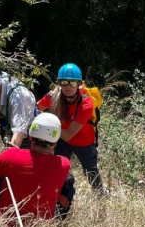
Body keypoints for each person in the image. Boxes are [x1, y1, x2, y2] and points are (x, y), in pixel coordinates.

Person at [0, 113, 75, 223]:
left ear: (30, 136)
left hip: (4, 224)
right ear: (55, 143)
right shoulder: (64, 163)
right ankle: (58, 221)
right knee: (69, 181)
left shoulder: (10, 155)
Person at [37, 63, 103, 191]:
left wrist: (46, 121)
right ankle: (62, 194)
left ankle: (100, 193)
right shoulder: (53, 96)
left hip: (83, 141)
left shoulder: (85, 103)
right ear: (59, 84)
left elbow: (68, 135)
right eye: (64, 83)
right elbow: (36, 108)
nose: (68, 87)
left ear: (78, 84)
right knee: (58, 169)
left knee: (90, 171)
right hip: (62, 139)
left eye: (72, 83)